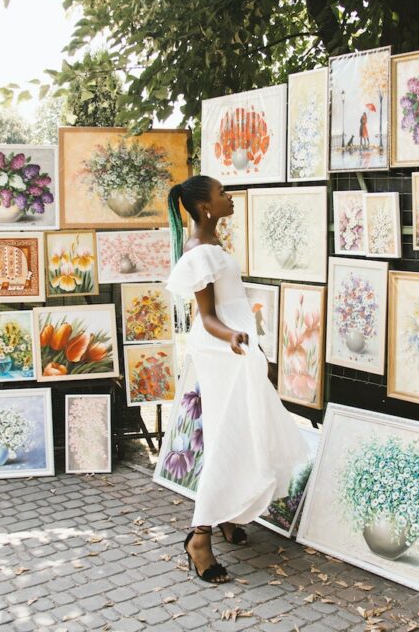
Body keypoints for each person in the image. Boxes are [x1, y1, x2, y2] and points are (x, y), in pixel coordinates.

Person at [165, 175, 309, 584]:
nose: (229, 198)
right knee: (227, 434)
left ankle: (227, 515)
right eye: (222, 193)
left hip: (236, 349)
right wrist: (234, 336)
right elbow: (207, 317)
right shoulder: (198, 253)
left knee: (243, 430)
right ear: (205, 207)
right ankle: (199, 537)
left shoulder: (211, 247)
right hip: (222, 351)